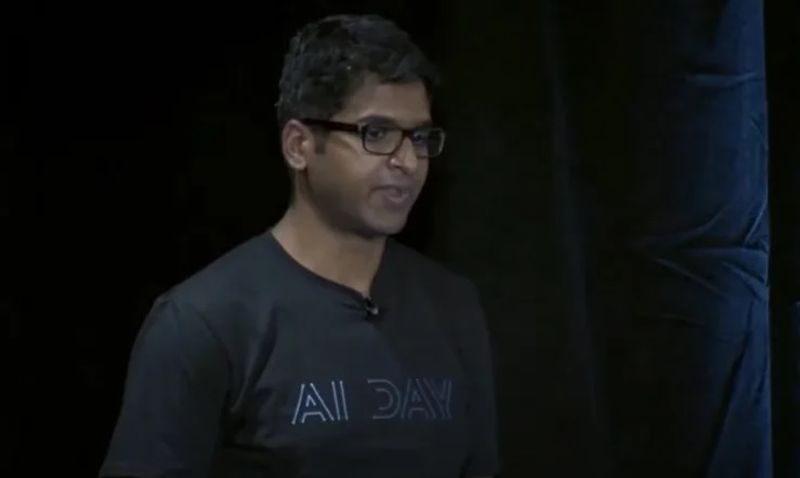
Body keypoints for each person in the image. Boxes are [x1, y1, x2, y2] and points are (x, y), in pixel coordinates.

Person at [99, 13, 499, 478]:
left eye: (420, 137)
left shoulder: (452, 305)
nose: (408, 161)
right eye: (377, 134)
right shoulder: (202, 323)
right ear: (298, 145)